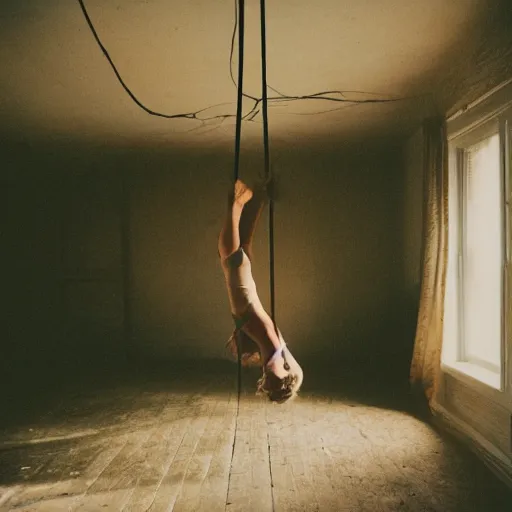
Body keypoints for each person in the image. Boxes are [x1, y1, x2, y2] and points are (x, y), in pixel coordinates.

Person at [218, 179, 303, 403]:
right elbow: (287, 372)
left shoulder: (276, 344)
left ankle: (259, 197)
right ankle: (245, 197)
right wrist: (285, 382)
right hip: (236, 270)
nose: (265, 376)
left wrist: (288, 381)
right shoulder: (271, 344)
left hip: (243, 272)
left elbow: (293, 372)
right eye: (269, 377)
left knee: (245, 238)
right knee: (234, 210)